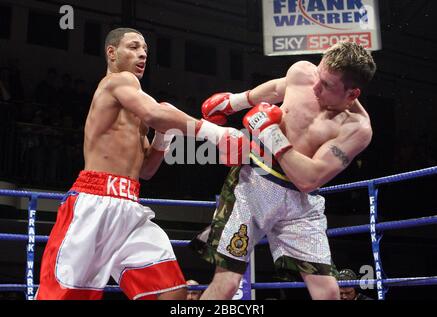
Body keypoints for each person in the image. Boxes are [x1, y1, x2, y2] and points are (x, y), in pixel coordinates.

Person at [35, 27, 244, 300]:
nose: (143, 53)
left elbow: (146, 170)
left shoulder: (133, 111)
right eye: (133, 47)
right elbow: (155, 112)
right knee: (63, 296)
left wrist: (162, 139)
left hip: (130, 207)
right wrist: (215, 133)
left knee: (172, 292)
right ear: (111, 53)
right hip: (93, 203)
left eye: (145, 49)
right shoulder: (117, 82)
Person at [190, 41, 376, 300]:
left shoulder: (356, 129)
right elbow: (279, 88)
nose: (315, 87)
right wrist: (234, 102)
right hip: (254, 185)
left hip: (300, 204)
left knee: (329, 293)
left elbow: (309, 179)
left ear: (352, 94)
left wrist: (268, 132)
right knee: (227, 284)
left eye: (327, 85)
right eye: (318, 76)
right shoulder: (303, 73)